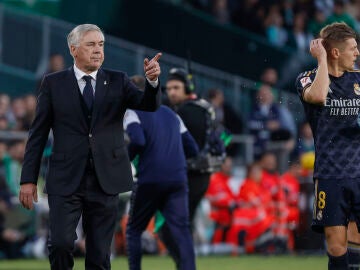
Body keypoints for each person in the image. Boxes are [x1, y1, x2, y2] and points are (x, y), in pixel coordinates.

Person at [18, 24, 162, 270]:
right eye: (91, 45)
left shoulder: (118, 80)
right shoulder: (53, 83)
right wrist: (28, 179)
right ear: (73, 49)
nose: (98, 50)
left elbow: (148, 104)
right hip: (65, 179)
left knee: (99, 254)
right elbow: (38, 134)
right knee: (61, 243)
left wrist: (152, 80)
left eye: (101, 45)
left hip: (106, 179)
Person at [295, 22, 360, 269]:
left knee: (356, 239)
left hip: (359, 171)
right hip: (330, 174)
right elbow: (318, 96)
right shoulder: (306, 78)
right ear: (335, 52)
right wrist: (322, 61)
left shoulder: (358, 79)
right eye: (353, 48)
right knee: (335, 245)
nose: (357, 53)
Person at [124, 76, 199, 270]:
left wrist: (123, 160)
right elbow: (193, 148)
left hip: (150, 179)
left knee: (134, 230)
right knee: (181, 230)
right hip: (177, 179)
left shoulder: (132, 112)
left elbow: (138, 141)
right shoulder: (171, 114)